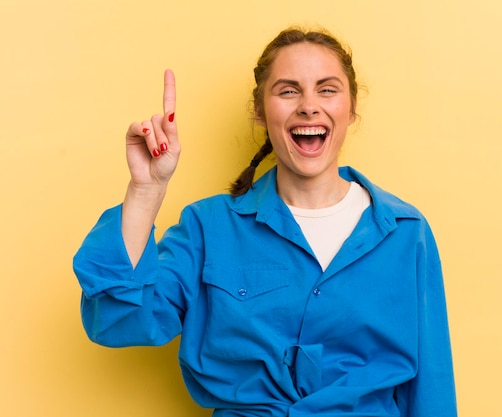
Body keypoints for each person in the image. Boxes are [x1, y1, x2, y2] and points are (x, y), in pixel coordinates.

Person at [74, 27, 457, 416]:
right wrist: (147, 189)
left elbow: (431, 386)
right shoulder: (208, 227)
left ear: (351, 107)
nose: (309, 105)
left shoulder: (405, 232)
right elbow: (116, 320)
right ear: (260, 111)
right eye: (288, 90)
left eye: (327, 89)